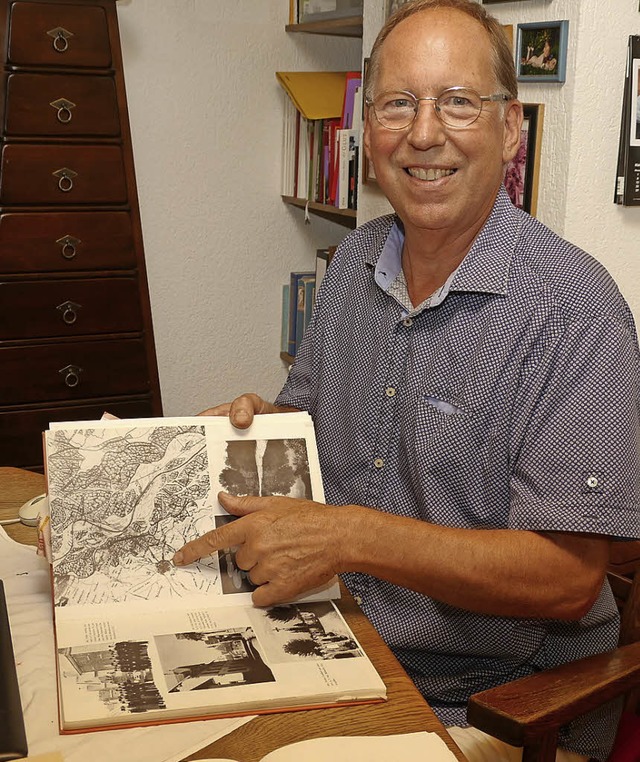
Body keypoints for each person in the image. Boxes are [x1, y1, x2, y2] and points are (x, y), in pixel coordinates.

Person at [173, 2, 640, 760]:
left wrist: (354, 536)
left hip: (488, 704)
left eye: (458, 101)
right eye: (398, 103)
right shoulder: (354, 264)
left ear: (510, 129)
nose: (425, 133)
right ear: (370, 129)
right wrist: (265, 425)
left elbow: (566, 583)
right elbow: (313, 430)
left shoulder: (577, 312)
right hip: (336, 643)